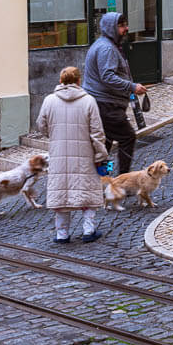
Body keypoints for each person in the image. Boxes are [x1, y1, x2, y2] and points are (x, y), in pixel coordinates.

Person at [36, 66, 107, 243]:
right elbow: (97, 133)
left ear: (60, 81)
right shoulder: (89, 101)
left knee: (62, 193)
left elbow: (41, 126)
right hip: (85, 155)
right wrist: (101, 155)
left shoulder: (49, 100)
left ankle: (62, 234)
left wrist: (56, 136)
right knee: (88, 192)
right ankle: (88, 231)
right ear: (78, 81)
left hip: (58, 154)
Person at [82, 12, 146, 175]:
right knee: (128, 137)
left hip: (104, 103)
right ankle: (123, 179)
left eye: (126, 24)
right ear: (112, 28)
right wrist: (132, 87)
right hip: (106, 105)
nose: (127, 28)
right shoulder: (106, 48)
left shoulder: (106, 45)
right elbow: (107, 76)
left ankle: (101, 178)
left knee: (105, 145)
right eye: (122, 25)